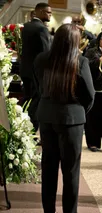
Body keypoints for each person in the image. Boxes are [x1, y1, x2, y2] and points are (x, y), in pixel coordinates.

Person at [33, 24, 95, 213]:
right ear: (75, 42)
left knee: (49, 170)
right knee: (71, 173)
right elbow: (90, 95)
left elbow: (38, 86)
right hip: (72, 120)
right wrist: (79, 110)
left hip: (47, 117)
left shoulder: (41, 59)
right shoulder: (80, 61)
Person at [20, 2, 52, 132]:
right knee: (35, 102)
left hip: (25, 70)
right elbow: (46, 53)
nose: (50, 15)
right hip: (37, 73)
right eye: (47, 12)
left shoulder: (26, 26)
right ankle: (30, 131)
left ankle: (21, 128)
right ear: (39, 12)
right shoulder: (42, 29)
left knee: (27, 99)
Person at [84, 31, 102, 152]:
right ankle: (93, 143)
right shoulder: (92, 51)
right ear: (99, 41)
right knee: (93, 118)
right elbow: (86, 65)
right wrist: (100, 59)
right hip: (95, 88)